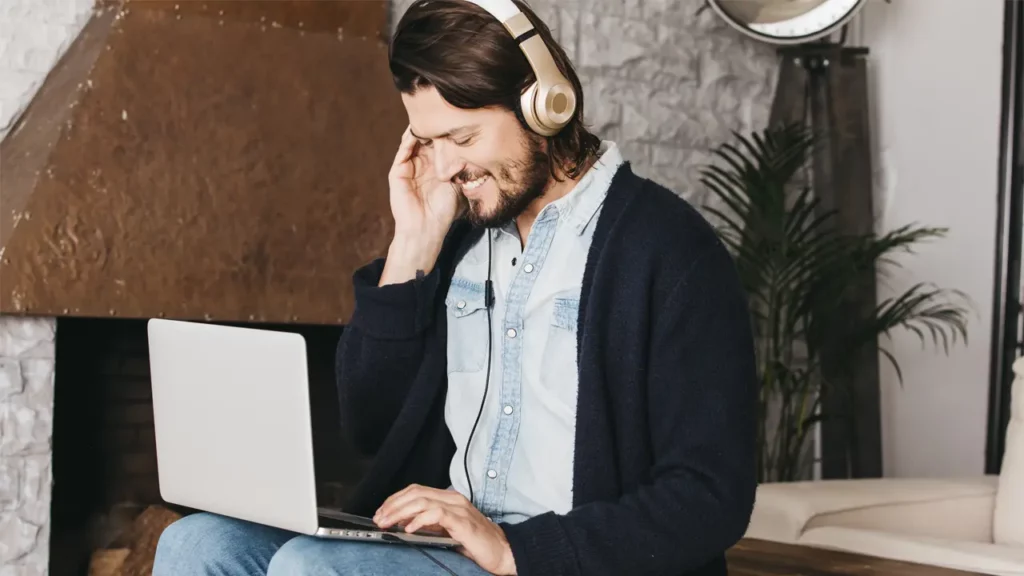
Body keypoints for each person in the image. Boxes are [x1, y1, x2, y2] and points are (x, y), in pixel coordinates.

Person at [152, 0, 758, 574]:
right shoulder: (458, 238)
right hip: (437, 549)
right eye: (429, 140)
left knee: (312, 569)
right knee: (198, 544)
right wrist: (412, 245)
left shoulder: (672, 251)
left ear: (544, 106)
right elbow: (368, 426)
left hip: (550, 561)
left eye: (462, 138)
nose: (445, 168)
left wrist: (514, 549)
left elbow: (711, 495)